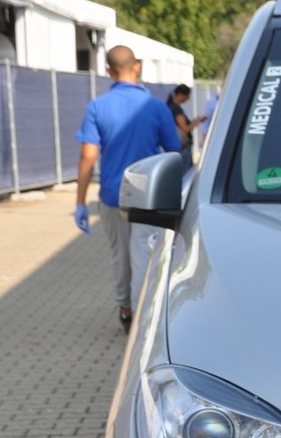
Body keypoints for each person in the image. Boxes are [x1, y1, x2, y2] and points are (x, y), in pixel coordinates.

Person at [75, 46, 183, 331]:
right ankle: (145, 323)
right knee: (145, 258)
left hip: (112, 196)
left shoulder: (97, 107)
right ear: (137, 67)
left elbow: (88, 156)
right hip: (148, 198)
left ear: (109, 71)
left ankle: (125, 309)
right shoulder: (157, 107)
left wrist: (80, 202)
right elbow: (174, 152)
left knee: (119, 257)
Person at [165, 83, 207, 166]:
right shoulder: (176, 109)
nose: (188, 98)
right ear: (181, 94)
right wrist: (197, 121)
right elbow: (185, 129)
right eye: (187, 96)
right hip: (183, 147)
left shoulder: (169, 106)